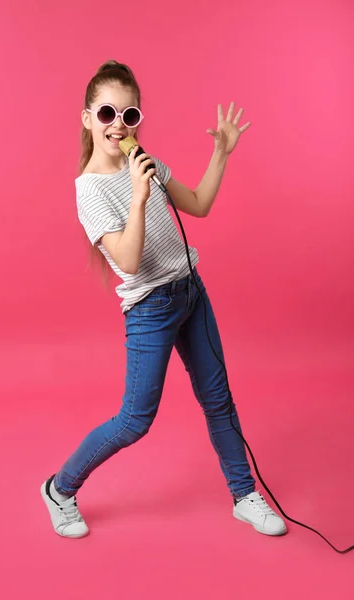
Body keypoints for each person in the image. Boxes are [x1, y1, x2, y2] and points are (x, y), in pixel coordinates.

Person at [40, 59, 287, 539]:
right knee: (135, 420)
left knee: (218, 399)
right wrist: (135, 194)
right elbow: (128, 262)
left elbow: (197, 203)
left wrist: (222, 153)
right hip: (150, 308)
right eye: (108, 113)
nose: (119, 126)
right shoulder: (89, 190)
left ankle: (244, 494)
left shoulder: (145, 163)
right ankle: (60, 488)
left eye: (129, 116)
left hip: (191, 290)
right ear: (87, 118)